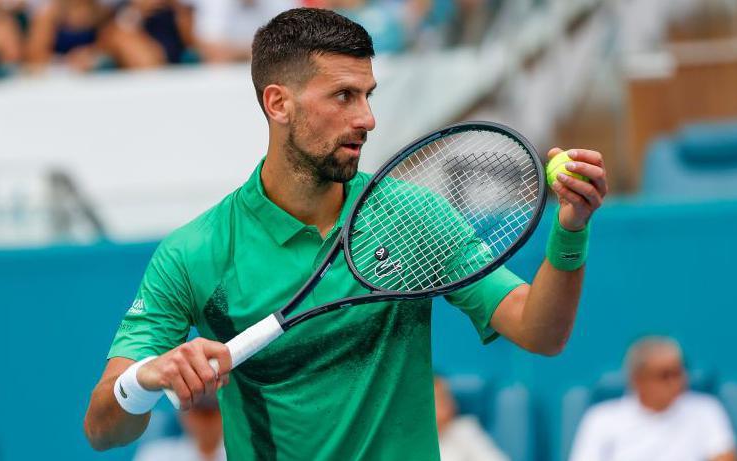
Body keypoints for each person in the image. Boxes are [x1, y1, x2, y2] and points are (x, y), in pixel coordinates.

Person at [84, 7, 609, 460]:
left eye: (368, 94)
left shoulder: (412, 216)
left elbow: (541, 332)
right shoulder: (195, 253)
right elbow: (104, 428)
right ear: (278, 103)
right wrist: (145, 378)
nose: (368, 118)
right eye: (343, 96)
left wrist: (571, 230)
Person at [569, 336, 737, 461]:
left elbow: (725, 457)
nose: (677, 382)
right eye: (665, 375)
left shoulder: (706, 409)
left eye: (679, 372)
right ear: (638, 380)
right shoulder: (601, 418)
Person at [434, 376, 509, 461]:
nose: (450, 405)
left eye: (447, 397)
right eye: (439, 400)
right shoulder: (420, 443)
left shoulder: (464, 429)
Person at [134, 394, 226, 461]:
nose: (206, 422)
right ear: (184, 415)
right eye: (199, 413)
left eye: (212, 413)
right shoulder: (155, 456)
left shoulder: (238, 454)